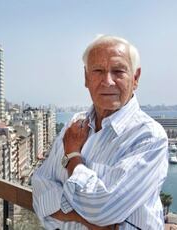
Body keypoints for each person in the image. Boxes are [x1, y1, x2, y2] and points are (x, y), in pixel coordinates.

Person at [31, 35, 169, 230]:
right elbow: (39, 188)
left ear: (135, 78)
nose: (108, 81)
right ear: (86, 78)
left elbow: (103, 209)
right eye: (98, 71)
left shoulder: (148, 136)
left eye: (118, 71)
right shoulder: (75, 125)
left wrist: (73, 156)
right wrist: (84, 219)